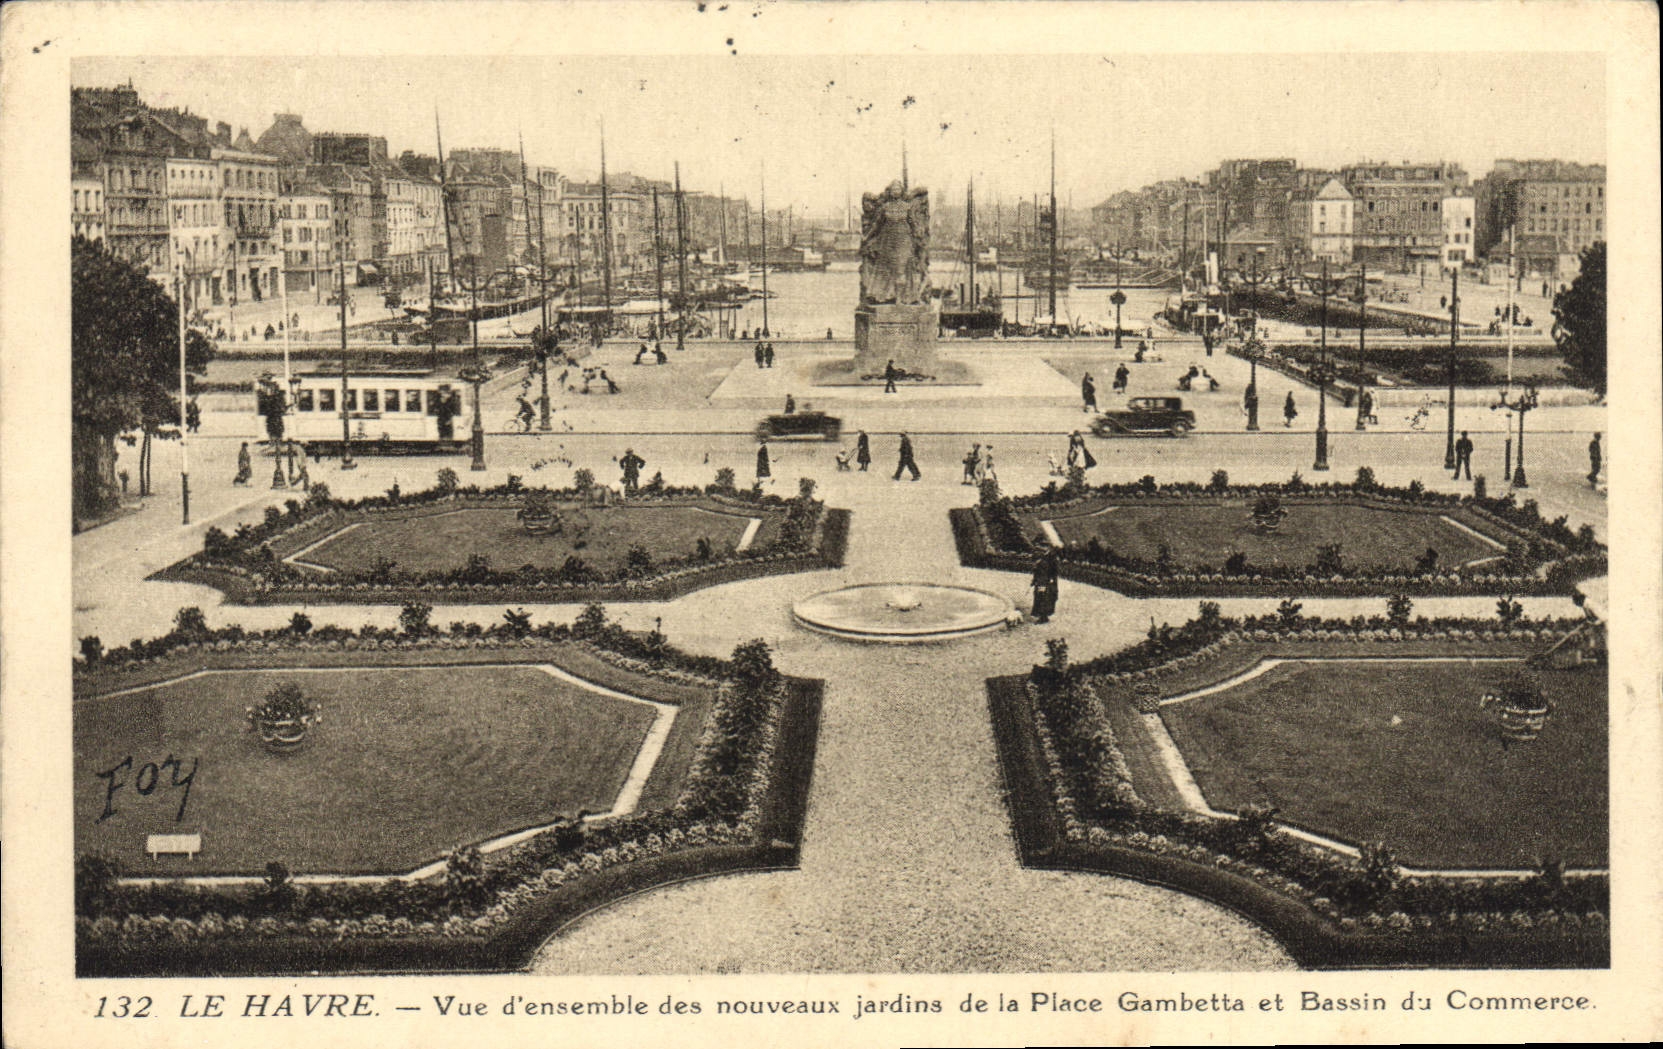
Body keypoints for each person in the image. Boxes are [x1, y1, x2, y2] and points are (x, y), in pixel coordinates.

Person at [1029, 546, 1059, 623]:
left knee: (1043, 598)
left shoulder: (1049, 559)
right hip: (1042, 582)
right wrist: (1034, 580)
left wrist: (1049, 580)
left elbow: (1052, 571)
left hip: (1044, 582)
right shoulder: (1043, 558)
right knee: (1041, 598)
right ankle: (1043, 616)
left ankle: (1043, 617)